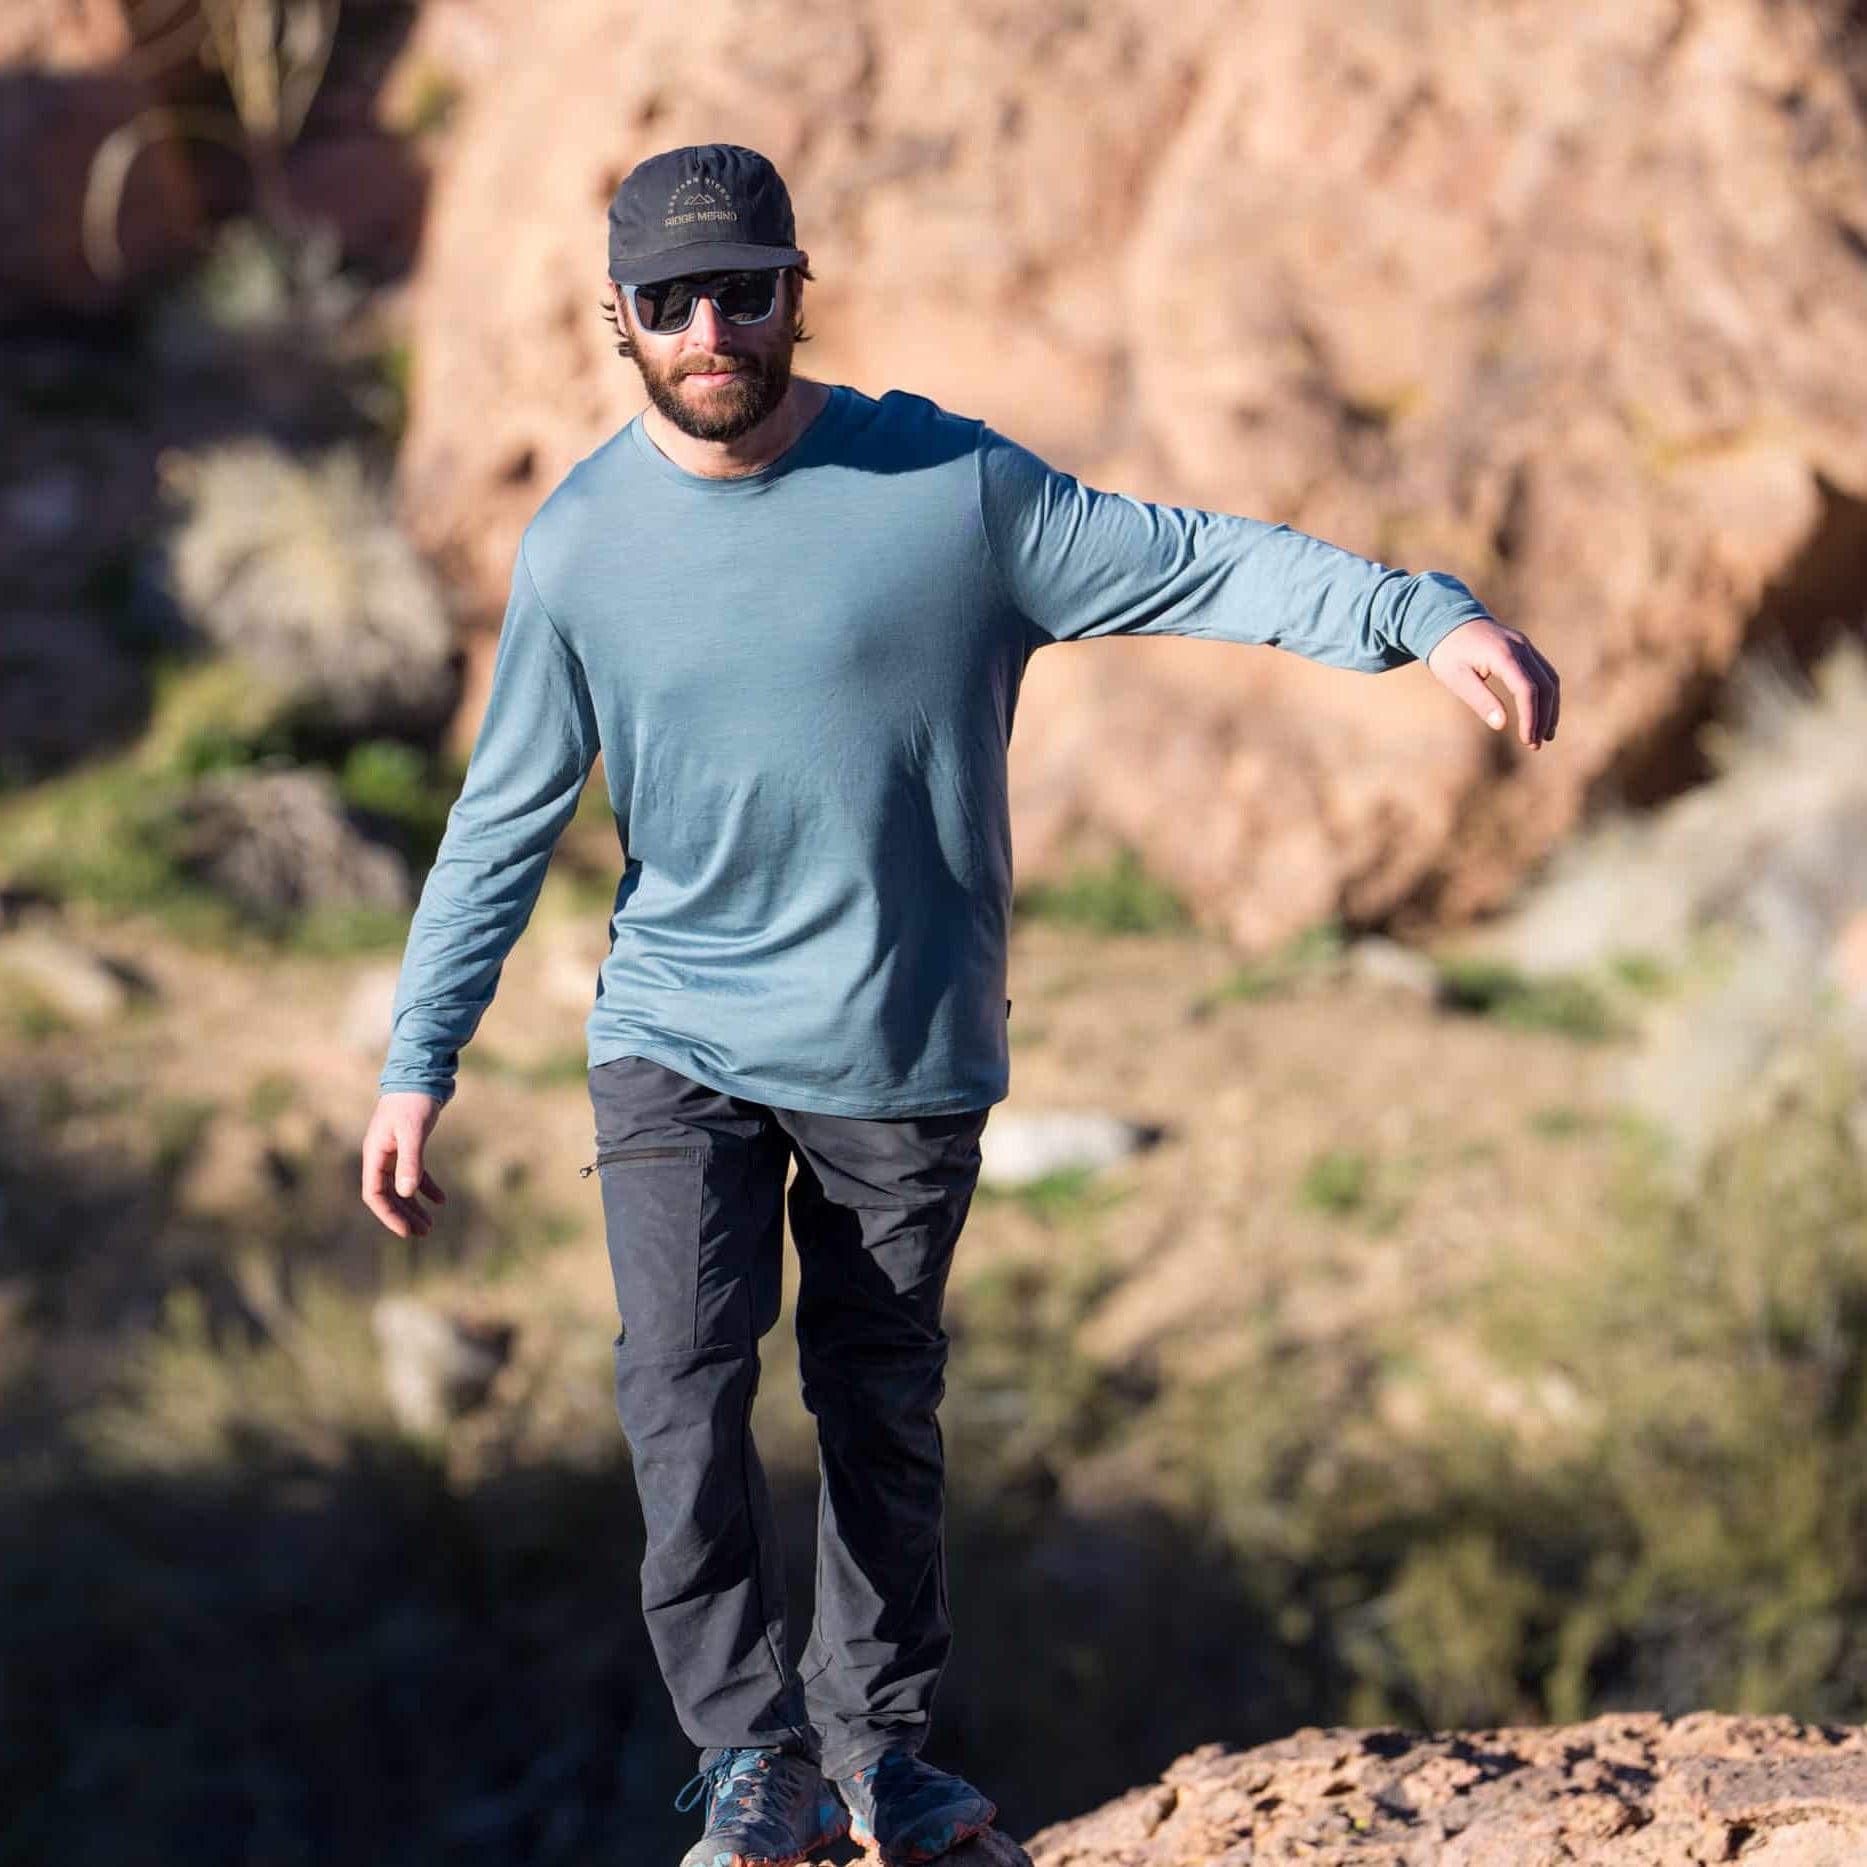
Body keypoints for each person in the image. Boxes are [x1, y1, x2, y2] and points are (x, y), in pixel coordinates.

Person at [360, 142, 1560, 1867]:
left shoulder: (951, 490)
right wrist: (418, 1060)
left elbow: (1202, 560)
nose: (713, 326)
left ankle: (883, 1756)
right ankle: (749, 1761)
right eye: (670, 301)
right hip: (676, 1037)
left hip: (899, 1049)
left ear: (798, 291)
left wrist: (1414, 616)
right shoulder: (581, 549)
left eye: (746, 288)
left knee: (880, 1409)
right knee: (682, 1389)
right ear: (612, 319)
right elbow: (501, 824)